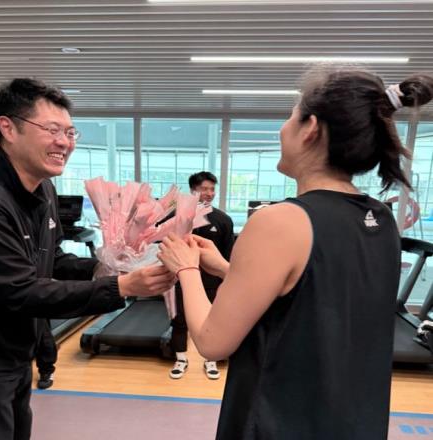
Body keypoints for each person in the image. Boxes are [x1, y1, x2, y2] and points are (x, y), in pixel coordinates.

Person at [158, 67, 433, 439]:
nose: (282, 128)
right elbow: (314, 297)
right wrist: (225, 268)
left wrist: (187, 269)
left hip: (280, 422)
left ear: (311, 128)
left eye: (289, 117)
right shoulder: (380, 219)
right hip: (353, 422)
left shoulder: (280, 221)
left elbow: (211, 342)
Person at [0, 78, 174, 440]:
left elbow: (52, 260)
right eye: (52, 130)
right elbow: (20, 291)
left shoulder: (42, 188)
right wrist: (121, 286)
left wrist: (108, 266)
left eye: (70, 132)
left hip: (15, 357)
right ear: (8, 128)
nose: (65, 142)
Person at [169, 171, 234, 380]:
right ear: (192, 190)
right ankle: (180, 359)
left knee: (213, 320)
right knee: (179, 320)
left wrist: (226, 280)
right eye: (204, 188)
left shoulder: (223, 220)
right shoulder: (175, 218)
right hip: (181, 279)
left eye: (212, 189)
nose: (209, 193)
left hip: (211, 281)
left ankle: (210, 360)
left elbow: (227, 256)